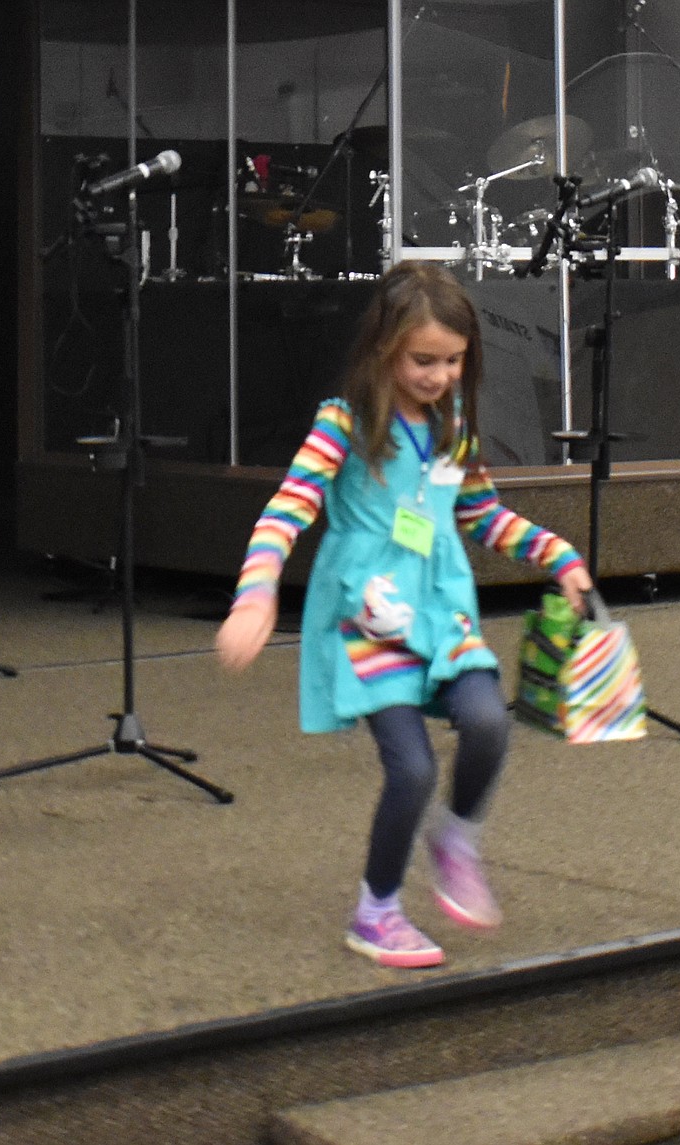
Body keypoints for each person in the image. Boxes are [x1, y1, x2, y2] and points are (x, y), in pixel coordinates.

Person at [217, 260, 592, 969]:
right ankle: (377, 909)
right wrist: (255, 592)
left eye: (453, 361)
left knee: (486, 720)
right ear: (384, 348)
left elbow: (482, 514)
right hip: (368, 618)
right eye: (424, 359)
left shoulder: (452, 428)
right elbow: (287, 508)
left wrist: (558, 554)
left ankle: (455, 838)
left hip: (441, 612)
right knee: (411, 767)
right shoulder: (344, 423)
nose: (439, 375)